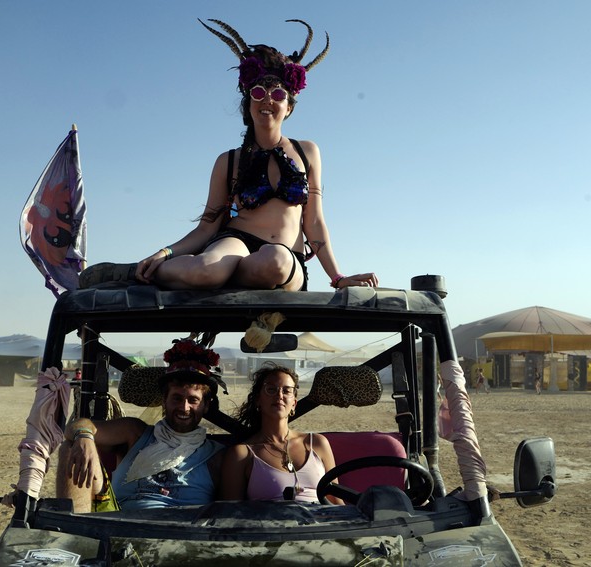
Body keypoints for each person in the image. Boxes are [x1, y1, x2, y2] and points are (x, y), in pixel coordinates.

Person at [79, 19, 377, 292]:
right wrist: (164, 252)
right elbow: (208, 227)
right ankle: (141, 272)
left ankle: (219, 277)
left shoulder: (307, 152)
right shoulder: (228, 161)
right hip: (234, 245)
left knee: (273, 260)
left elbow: (314, 223)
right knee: (207, 267)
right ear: (248, 103)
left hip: (286, 262)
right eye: (258, 93)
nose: (267, 100)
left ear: (289, 106)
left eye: (277, 94)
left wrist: (338, 278)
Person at [56, 340, 224, 512]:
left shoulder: (217, 455)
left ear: (206, 405)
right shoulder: (135, 433)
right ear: (164, 401)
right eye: (177, 398)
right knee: (71, 448)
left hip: (182, 533)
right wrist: (84, 437)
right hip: (119, 524)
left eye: (193, 400)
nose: (184, 407)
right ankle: (73, 531)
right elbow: (76, 426)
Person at [219, 363, 341, 504]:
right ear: (258, 400)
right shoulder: (241, 454)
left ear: (294, 404)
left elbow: (337, 503)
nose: (279, 395)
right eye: (271, 389)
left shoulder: (317, 443)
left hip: (323, 525)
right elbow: (230, 514)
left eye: (287, 390)